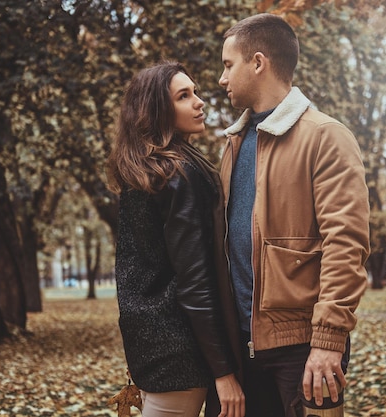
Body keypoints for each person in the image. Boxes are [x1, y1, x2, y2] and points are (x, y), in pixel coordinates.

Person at [218, 14, 370, 417]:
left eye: (227, 64)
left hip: (304, 346)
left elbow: (346, 242)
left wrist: (328, 339)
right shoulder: (232, 146)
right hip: (241, 346)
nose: (221, 78)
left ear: (258, 62)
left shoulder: (326, 136)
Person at [107, 62, 244, 417]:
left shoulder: (150, 169)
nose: (199, 102)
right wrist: (224, 371)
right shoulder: (176, 175)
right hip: (179, 352)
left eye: (195, 92)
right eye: (184, 96)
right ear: (157, 110)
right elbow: (195, 281)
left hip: (155, 345)